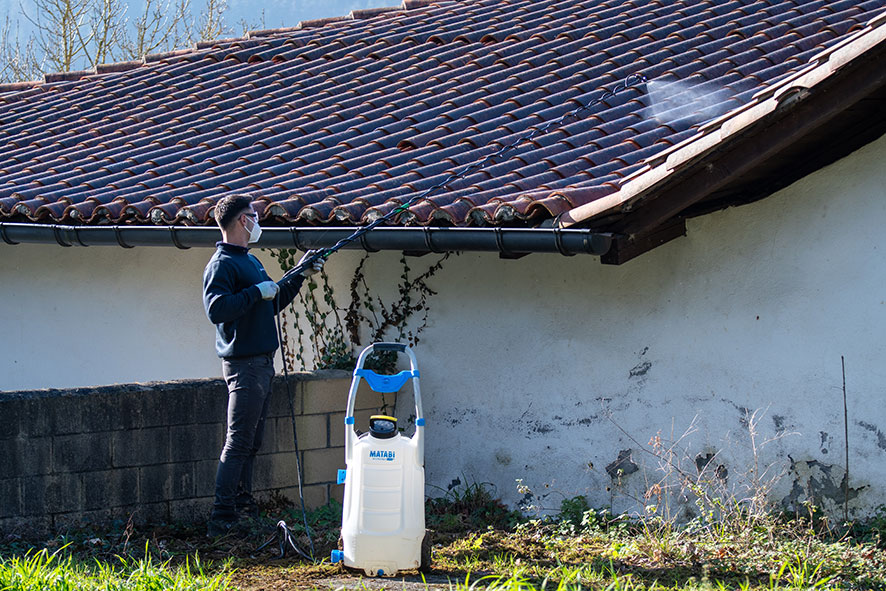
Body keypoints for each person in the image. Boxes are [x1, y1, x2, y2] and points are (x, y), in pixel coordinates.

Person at [202, 194, 324, 537]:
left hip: (261, 363)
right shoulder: (222, 263)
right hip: (244, 365)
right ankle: (221, 516)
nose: (257, 221)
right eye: (253, 215)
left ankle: (242, 505)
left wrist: (299, 274)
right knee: (238, 440)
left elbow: (273, 300)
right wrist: (257, 292)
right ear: (243, 221)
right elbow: (217, 310)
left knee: (251, 440)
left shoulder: (250, 261)